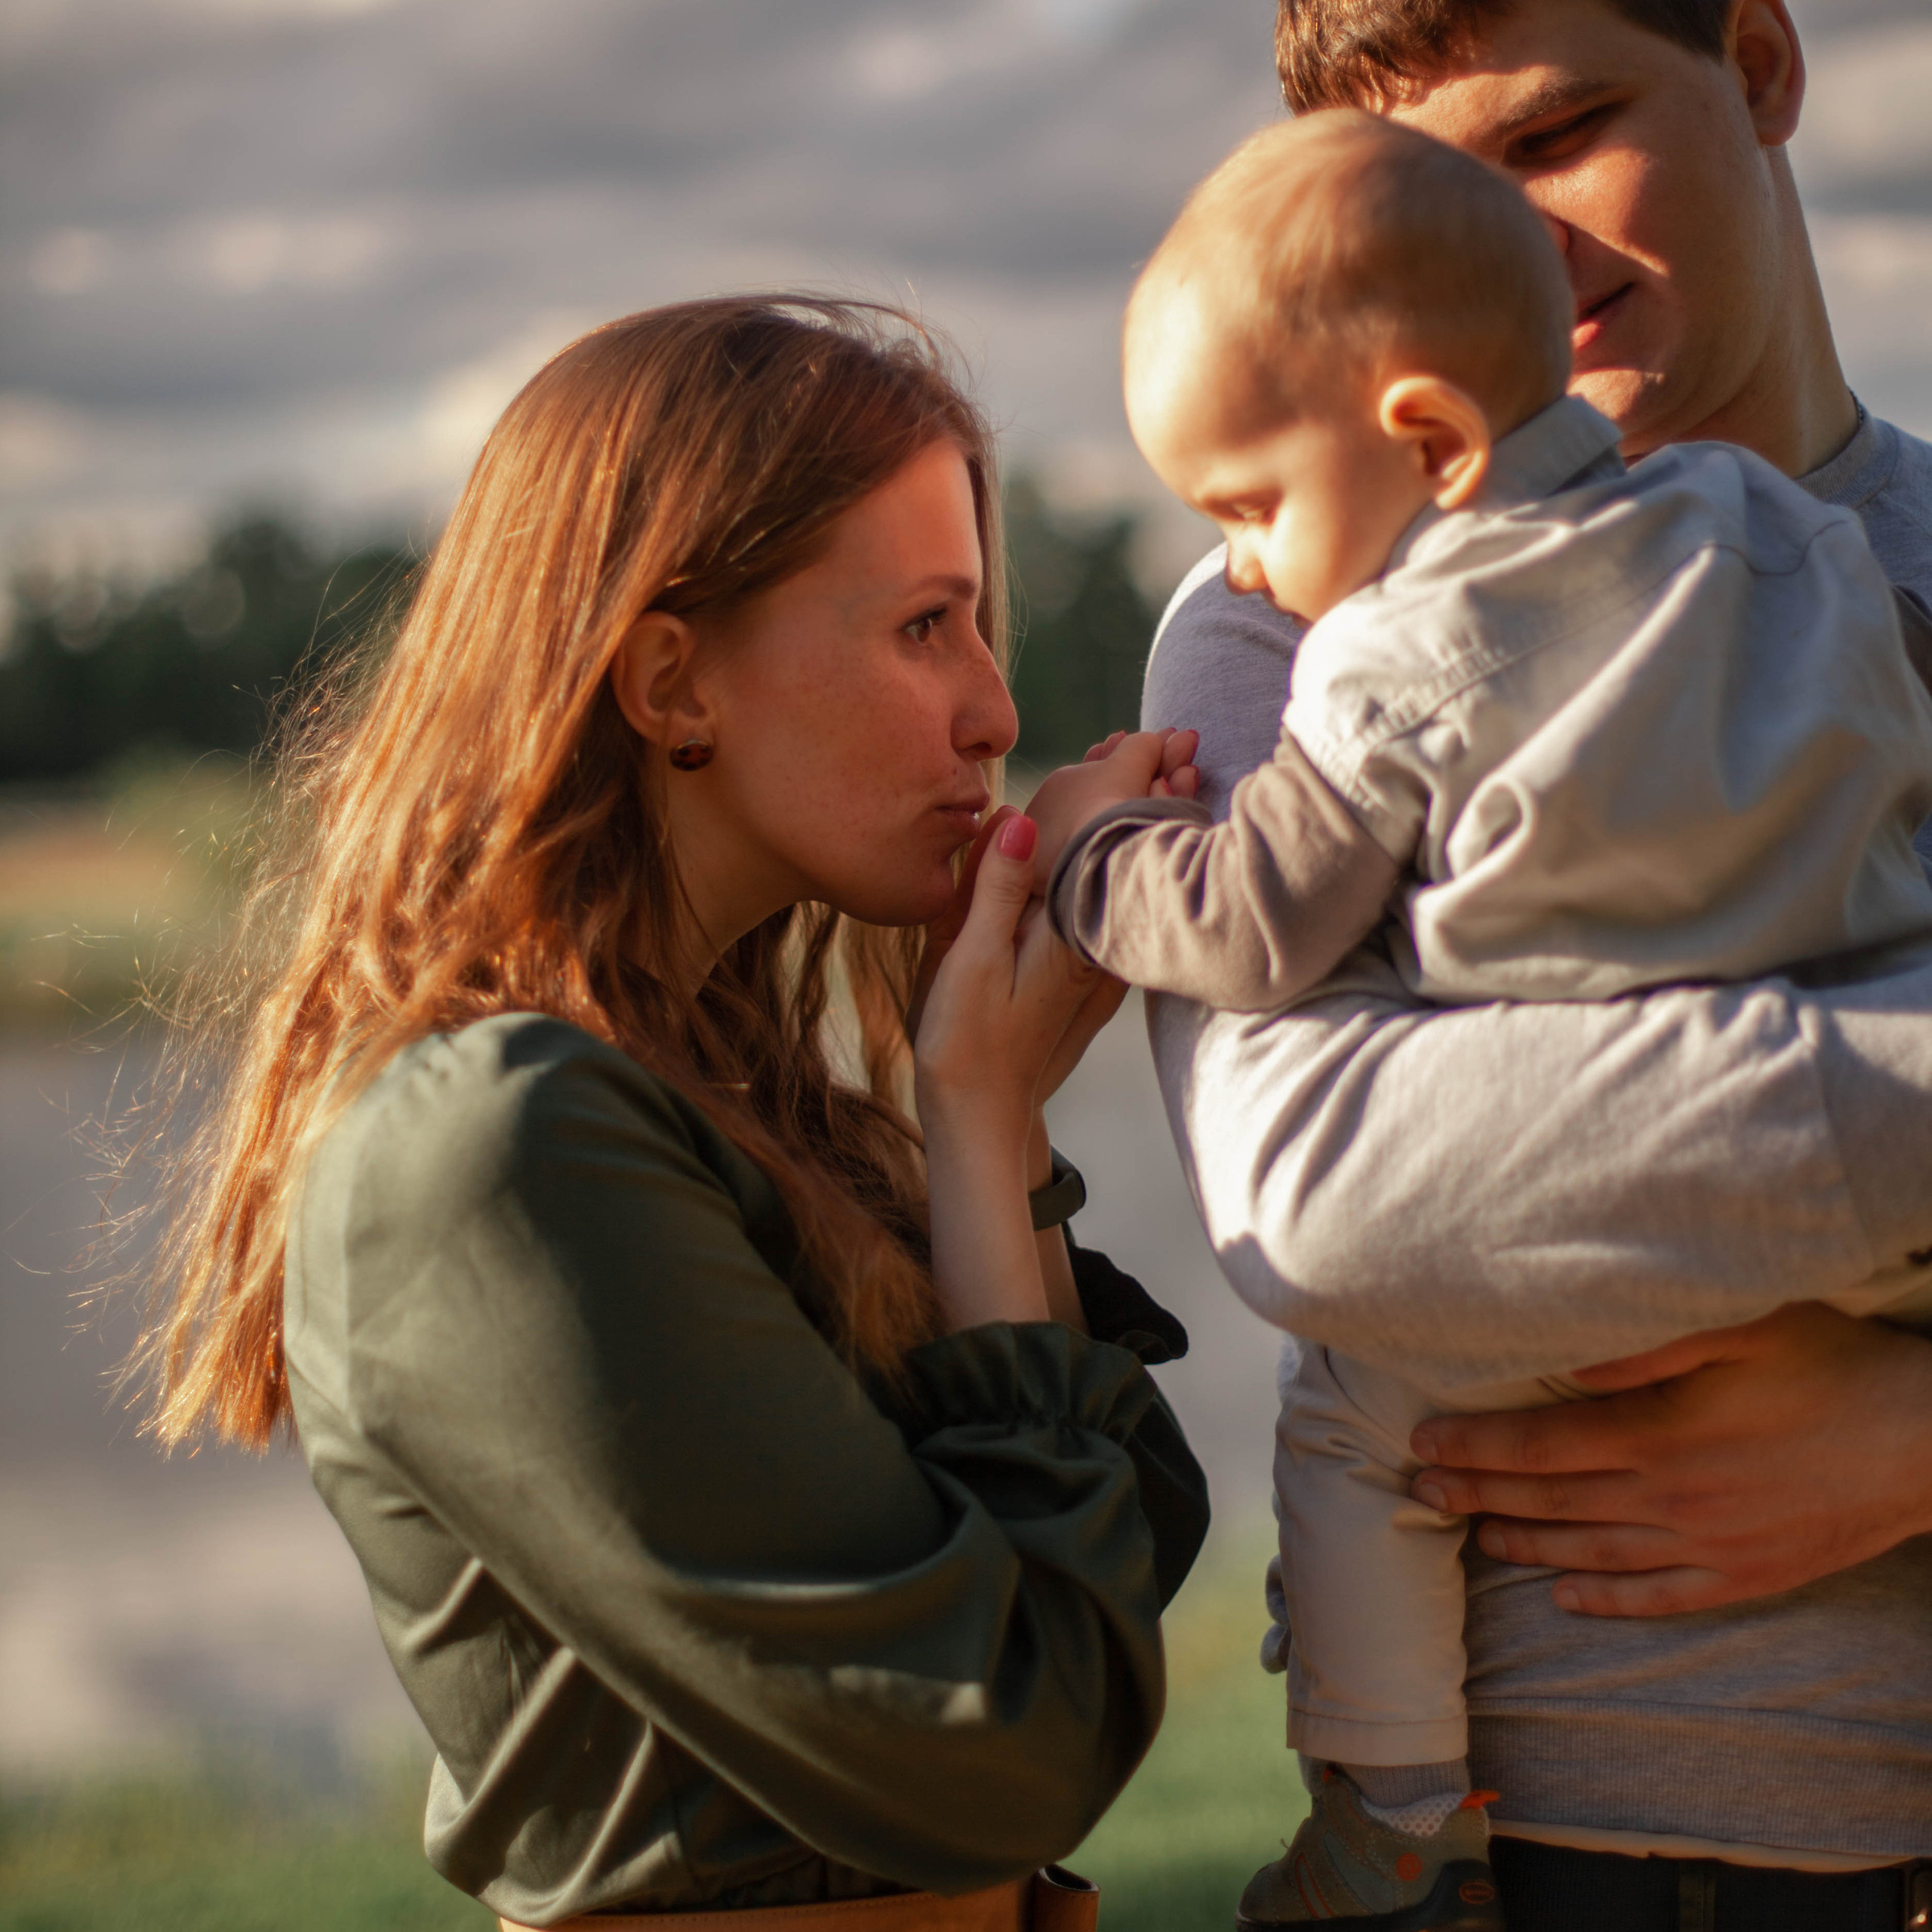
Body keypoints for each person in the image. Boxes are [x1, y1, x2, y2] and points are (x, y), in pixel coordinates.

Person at [128, 297, 1211, 1931]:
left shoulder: (728, 1102)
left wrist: (981, 1122)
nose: (995, 712)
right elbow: (1016, 1729)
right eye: (926, 626)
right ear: (668, 681)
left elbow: (1106, 1561)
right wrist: (978, 1113)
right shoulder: (503, 1142)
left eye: (978, 626)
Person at [1131, 2, 1932, 1926]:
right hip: (1553, 1840)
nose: (1505, 244)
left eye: (1557, 132)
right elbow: (1316, 1186)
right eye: (1429, 191)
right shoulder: (1285, 614)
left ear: (1758, 64)